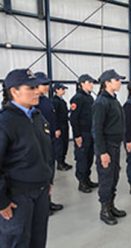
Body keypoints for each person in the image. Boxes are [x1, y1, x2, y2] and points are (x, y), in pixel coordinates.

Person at [0, 69, 52, 247]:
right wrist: (2, 202)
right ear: (14, 91)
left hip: (41, 191)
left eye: (36, 86)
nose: (37, 91)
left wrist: (48, 179)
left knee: (38, 240)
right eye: (30, 88)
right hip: (18, 197)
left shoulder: (37, 117)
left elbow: (45, 151)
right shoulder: (5, 122)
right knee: (17, 241)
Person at [92, 69, 127, 225]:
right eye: (117, 80)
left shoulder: (113, 100)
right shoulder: (101, 102)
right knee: (106, 178)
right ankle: (104, 210)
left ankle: (111, 205)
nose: (120, 82)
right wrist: (102, 152)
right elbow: (96, 130)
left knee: (114, 176)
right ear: (107, 83)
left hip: (115, 145)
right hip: (107, 146)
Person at [35, 72, 64, 215]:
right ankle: (42, 206)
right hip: (40, 143)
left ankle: (48, 201)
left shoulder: (46, 100)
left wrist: (56, 129)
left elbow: (51, 117)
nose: (47, 87)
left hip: (50, 141)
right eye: (43, 84)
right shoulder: (35, 102)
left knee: (49, 173)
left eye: (47, 84)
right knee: (42, 174)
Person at [70, 74, 98, 193]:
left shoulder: (90, 98)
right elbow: (73, 119)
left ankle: (87, 179)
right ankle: (82, 182)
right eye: (89, 82)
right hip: (82, 134)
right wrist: (77, 135)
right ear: (82, 84)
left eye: (92, 82)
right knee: (82, 158)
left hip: (90, 133)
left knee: (89, 158)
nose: (92, 84)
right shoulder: (77, 98)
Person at [52, 82, 72, 171]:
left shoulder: (61, 101)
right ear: (56, 90)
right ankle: (59, 163)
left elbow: (62, 113)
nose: (64, 91)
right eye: (62, 89)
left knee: (65, 144)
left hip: (64, 125)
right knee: (59, 146)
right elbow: (54, 116)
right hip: (59, 126)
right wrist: (56, 128)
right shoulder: (54, 101)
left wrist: (70, 110)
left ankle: (63, 162)